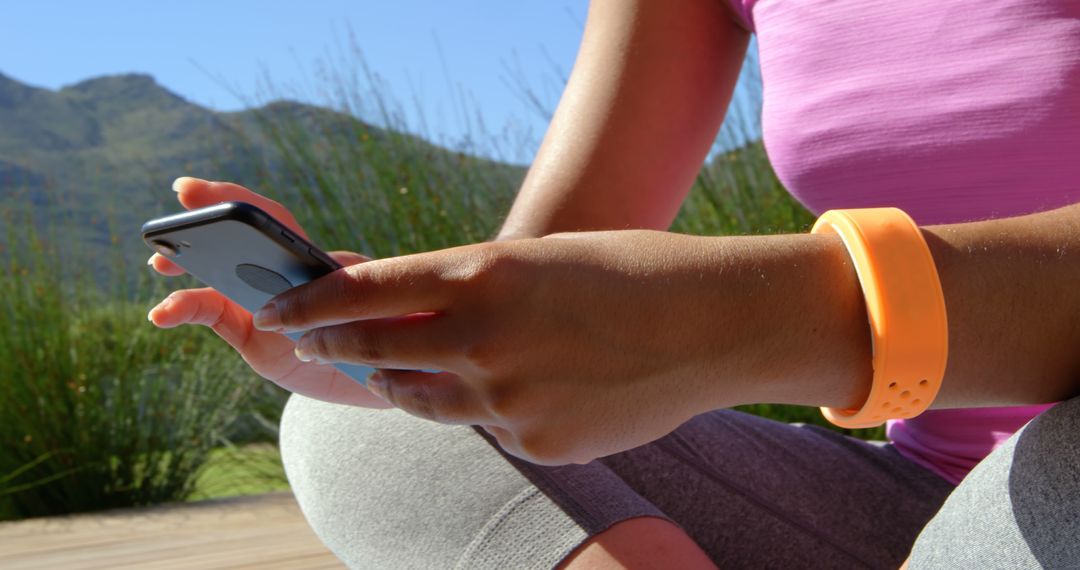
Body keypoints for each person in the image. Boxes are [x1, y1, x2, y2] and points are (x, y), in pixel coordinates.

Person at [149, 0, 1080, 567]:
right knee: (370, 426)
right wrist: (403, 339)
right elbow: (547, 274)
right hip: (911, 506)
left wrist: (740, 322)